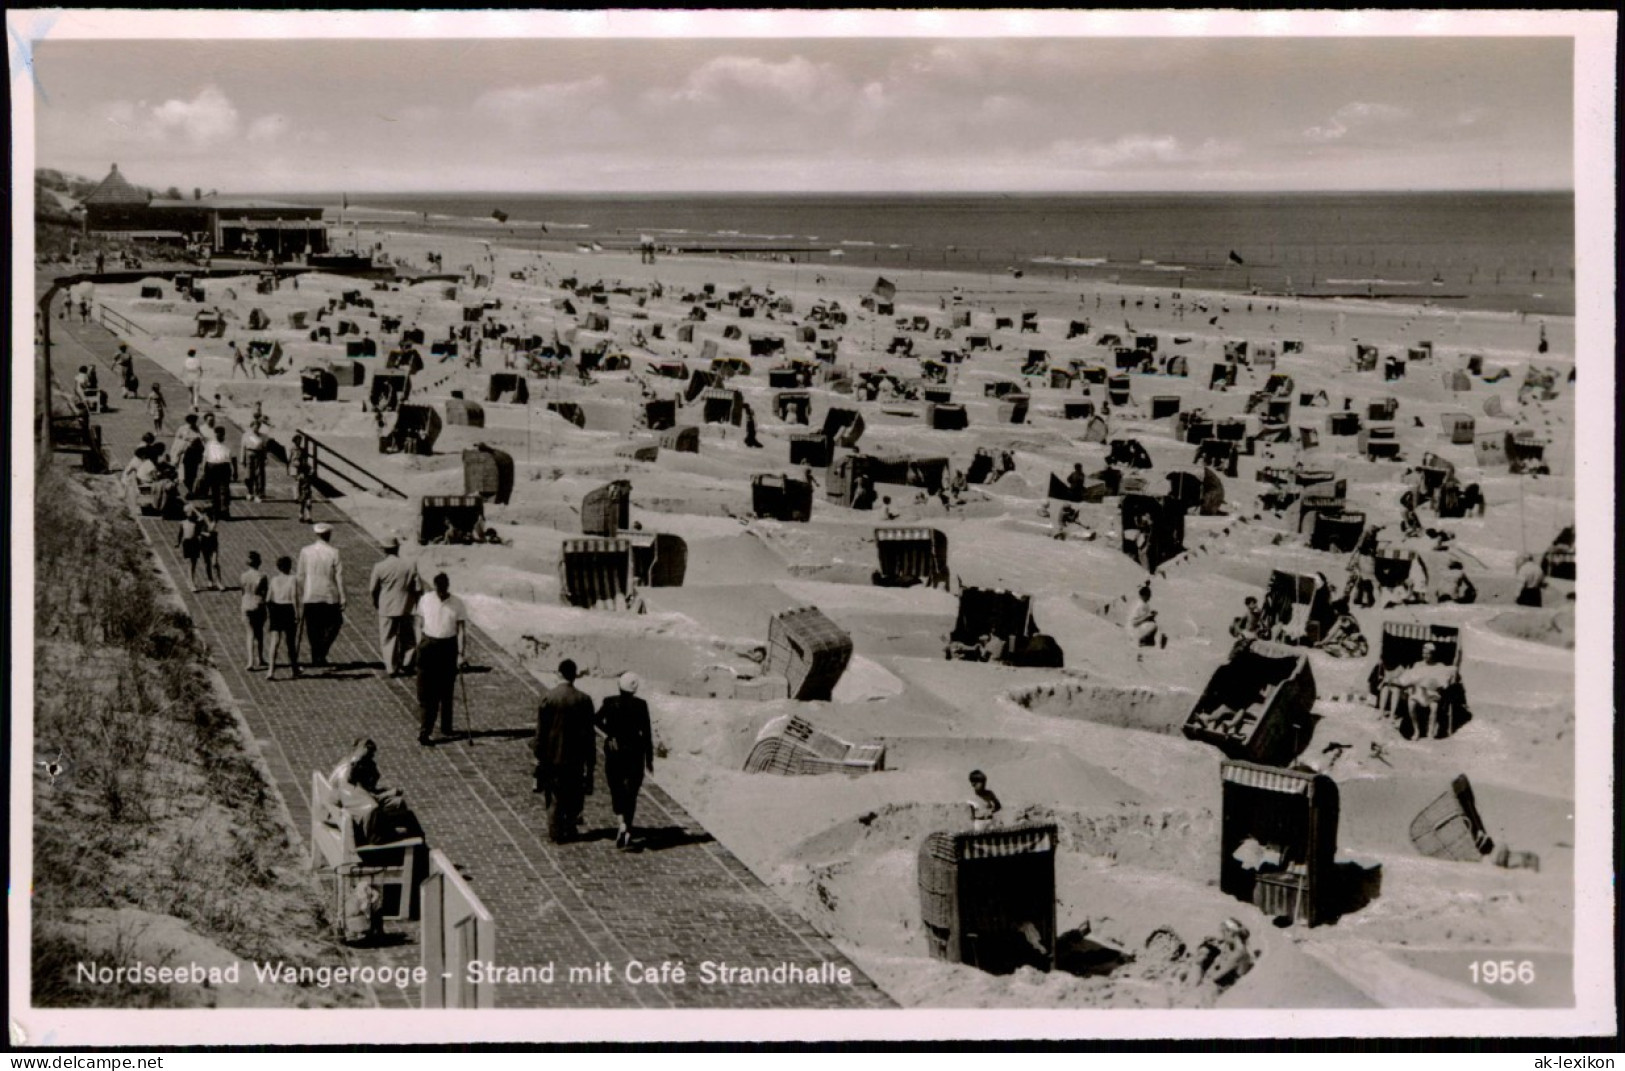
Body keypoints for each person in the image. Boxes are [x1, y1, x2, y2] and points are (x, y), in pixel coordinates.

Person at [534, 659, 597, 843]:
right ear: (574, 675)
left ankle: (555, 831)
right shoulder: (584, 699)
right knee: (573, 793)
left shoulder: (549, 697)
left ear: (559, 674)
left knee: (553, 795)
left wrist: (538, 753)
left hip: (552, 756)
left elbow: (541, 730)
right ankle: (569, 827)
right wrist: (590, 761)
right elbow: (589, 734)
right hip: (575, 757)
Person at [597, 672, 655, 849]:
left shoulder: (609, 702)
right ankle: (627, 828)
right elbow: (646, 734)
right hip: (635, 752)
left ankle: (622, 824)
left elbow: (596, 719)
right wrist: (649, 760)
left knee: (616, 788)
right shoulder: (641, 705)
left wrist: (610, 733)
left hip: (615, 751)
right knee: (631, 791)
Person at [413, 572, 466, 745]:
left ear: (447, 587)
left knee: (447, 689)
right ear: (435, 587)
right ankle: (425, 729)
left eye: (444, 589)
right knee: (427, 691)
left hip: (448, 646)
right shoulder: (426, 599)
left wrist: (461, 654)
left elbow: (461, 630)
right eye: (439, 589)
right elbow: (418, 622)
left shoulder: (457, 603)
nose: (441, 593)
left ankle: (446, 725)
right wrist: (419, 643)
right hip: (429, 644)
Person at [369, 536, 420, 678]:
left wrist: (376, 601)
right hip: (406, 606)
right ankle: (407, 663)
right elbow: (418, 588)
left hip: (386, 606)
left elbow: (373, 589)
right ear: (397, 548)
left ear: (385, 550)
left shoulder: (379, 567)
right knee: (408, 637)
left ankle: (391, 667)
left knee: (388, 637)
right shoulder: (409, 565)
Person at [297, 523, 346, 668]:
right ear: (328, 535)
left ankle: (316, 653)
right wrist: (343, 596)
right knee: (334, 624)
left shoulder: (305, 551)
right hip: (329, 594)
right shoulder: (334, 552)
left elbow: (300, 575)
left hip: (311, 593)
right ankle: (321, 652)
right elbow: (339, 576)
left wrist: (301, 593)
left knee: (313, 627)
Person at [1388, 642, 1460, 740]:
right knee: (1411, 703)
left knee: (1434, 707)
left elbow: (1446, 678)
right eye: (1423, 653)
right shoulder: (1418, 665)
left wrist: (1442, 684)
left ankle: (1430, 732)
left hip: (1431, 694)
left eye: (1428, 653)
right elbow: (1409, 678)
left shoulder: (1439, 666)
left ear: (1433, 654)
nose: (1425, 655)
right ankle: (1416, 730)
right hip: (1418, 692)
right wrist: (1401, 683)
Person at [265, 555, 301, 680]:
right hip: (288, 609)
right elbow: (294, 597)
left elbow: (268, 598)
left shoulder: (274, 580)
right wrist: (297, 613)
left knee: (274, 641)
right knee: (290, 642)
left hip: (276, 609)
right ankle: (294, 669)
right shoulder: (292, 579)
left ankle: (271, 670)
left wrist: (271, 612)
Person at [177, 504, 215, 591]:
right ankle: (191, 582)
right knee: (190, 563)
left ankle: (190, 581)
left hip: (195, 542)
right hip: (187, 543)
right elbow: (180, 534)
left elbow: (202, 517)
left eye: (191, 512)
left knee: (194, 563)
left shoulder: (197, 522)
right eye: (189, 512)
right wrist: (178, 543)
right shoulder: (183, 523)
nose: (191, 513)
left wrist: (194, 509)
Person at [201, 424, 234, 519]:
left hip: (224, 467)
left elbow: (233, 458)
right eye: (217, 435)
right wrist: (203, 470)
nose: (219, 436)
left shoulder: (228, 444)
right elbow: (205, 458)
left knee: (224, 490)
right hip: (212, 467)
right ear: (214, 434)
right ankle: (216, 511)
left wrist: (235, 470)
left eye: (221, 435)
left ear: (223, 434)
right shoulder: (209, 444)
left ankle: (225, 511)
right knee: (214, 490)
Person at [173, 413, 205, 496]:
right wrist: (187, 443)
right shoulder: (182, 429)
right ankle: (186, 491)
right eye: (191, 420)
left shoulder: (197, 429)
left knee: (193, 473)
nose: (193, 422)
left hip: (195, 454)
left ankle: (190, 490)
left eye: (194, 420)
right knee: (185, 473)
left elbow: (202, 441)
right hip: (185, 454)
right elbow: (176, 442)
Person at [239, 420, 268, 503]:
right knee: (249, 475)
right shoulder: (246, 435)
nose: (256, 428)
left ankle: (258, 494)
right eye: (255, 426)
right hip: (249, 455)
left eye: (258, 426)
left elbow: (264, 448)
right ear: (251, 426)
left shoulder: (263, 436)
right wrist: (242, 459)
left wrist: (265, 458)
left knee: (259, 475)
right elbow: (243, 447)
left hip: (259, 456)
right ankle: (249, 492)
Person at [1128, 583, 1160, 650]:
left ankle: (1147, 640)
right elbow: (1134, 622)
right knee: (1152, 625)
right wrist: (1147, 618)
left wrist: (1151, 616)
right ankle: (1143, 640)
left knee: (1153, 624)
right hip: (1134, 628)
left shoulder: (1145, 605)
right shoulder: (1139, 605)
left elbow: (1145, 616)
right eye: (1148, 596)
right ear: (1144, 595)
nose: (1149, 598)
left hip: (1140, 626)